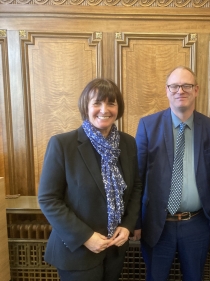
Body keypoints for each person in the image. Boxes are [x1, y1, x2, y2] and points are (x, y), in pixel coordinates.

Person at [38, 78, 143, 281]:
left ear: (118, 108)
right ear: (86, 106)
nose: (104, 109)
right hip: (77, 253)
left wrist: (128, 225)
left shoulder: (128, 143)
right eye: (97, 103)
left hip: (114, 249)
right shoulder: (62, 144)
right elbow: (48, 200)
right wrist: (86, 237)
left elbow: (135, 187)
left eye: (111, 103)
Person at [133, 66, 210, 281]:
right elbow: (137, 178)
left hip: (197, 225)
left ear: (196, 90)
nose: (180, 90)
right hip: (156, 225)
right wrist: (136, 222)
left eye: (186, 85)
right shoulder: (148, 126)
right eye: (174, 86)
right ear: (167, 90)